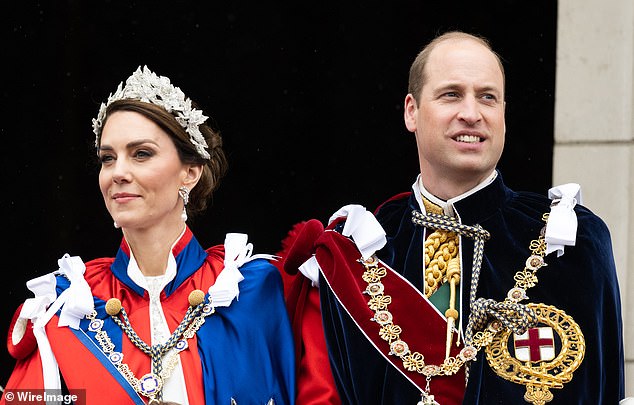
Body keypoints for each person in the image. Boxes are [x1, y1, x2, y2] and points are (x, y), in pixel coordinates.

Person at [278, 31, 626, 404]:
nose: (472, 114)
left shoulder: (572, 240)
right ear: (411, 111)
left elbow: (603, 386)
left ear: (503, 115)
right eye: (451, 94)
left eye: (487, 97)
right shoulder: (356, 252)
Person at [2, 66, 295, 405]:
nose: (119, 173)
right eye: (107, 158)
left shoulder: (252, 290)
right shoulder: (68, 309)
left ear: (190, 172)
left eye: (141, 153)